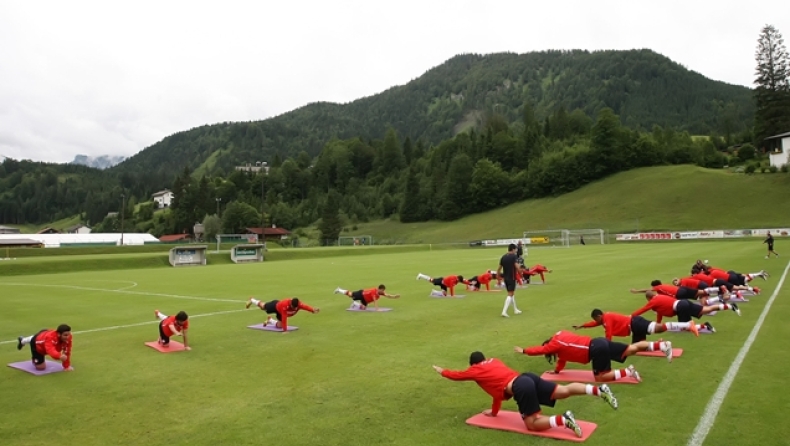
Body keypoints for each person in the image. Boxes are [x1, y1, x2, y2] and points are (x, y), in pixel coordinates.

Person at [432, 351, 617, 438]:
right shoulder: (494, 361)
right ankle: (596, 390)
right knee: (563, 391)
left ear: (473, 364)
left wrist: (441, 371)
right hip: (527, 377)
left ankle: (563, 419)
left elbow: (456, 375)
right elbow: (496, 391)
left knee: (532, 425)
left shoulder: (475, 371)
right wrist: (494, 413)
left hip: (521, 386)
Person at [514, 330, 669, 381]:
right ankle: (660, 345)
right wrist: (557, 371)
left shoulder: (555, 345)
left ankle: (628, 372)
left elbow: (541, 350)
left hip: (595, 350)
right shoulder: (561, 339)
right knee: (629, 349)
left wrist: (524, 351)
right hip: (599, 341)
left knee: (600, 377)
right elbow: (562, 359)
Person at [573, 308, 699, 341]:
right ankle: (659, 345)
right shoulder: (604, 318)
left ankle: (688, 325)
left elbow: (609, 333)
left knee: (659, 328)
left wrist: (607, 346)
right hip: (633, 326)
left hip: (634, 323)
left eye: (596, 319)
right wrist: (582, 326)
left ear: (599, 316)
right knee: (638, 347)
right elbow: (594, 324)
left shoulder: (607, 318)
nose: (596, 322)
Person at [631, 291, 739, 330]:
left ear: (649, 298)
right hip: (684, 302)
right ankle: (730, 306)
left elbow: (643, 309)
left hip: (680, 307)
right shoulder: (660, 298)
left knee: (685, 327)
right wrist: (658, 325)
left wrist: (632, 316)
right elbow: (659, 313)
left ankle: (704, 326)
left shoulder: (653, 301)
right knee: (706, 310)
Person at [245, 297, 320, 333]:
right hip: (275, 306)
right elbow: (284, 318)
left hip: (280, 312)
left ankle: (270, 320)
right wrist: (285, 330)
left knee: (279, 326)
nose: (294, 308)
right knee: (263, 307)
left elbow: (305, 307)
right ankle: (252, 300)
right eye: (293, 307)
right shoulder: (285, 305)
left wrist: (312, 310)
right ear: (290, 303)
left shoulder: (298, 304)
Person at [497, 243, 523, 317]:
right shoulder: (514, 257)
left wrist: (498, 278)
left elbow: (498, 269)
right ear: (513, 249)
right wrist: (521, 275)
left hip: (506, 278)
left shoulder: (503, 257)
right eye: (516, 249)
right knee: (510, 294)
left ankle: (515, 309)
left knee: (511, 293)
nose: (516, 250)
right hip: (512, 277)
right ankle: (504, 311)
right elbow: (517, 267)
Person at [334, 284, 400, 310]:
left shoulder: (380, 292)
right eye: (382, 290)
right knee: (350, 294)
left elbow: (387, 295)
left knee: (363, 308)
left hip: (365, 300)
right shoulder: (374, 291)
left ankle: (354, 304)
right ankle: (339, 289)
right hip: (361, 294)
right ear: (379, 289)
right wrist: (377, 309)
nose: (382, 291)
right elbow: (374, 301)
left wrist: (394, 296)